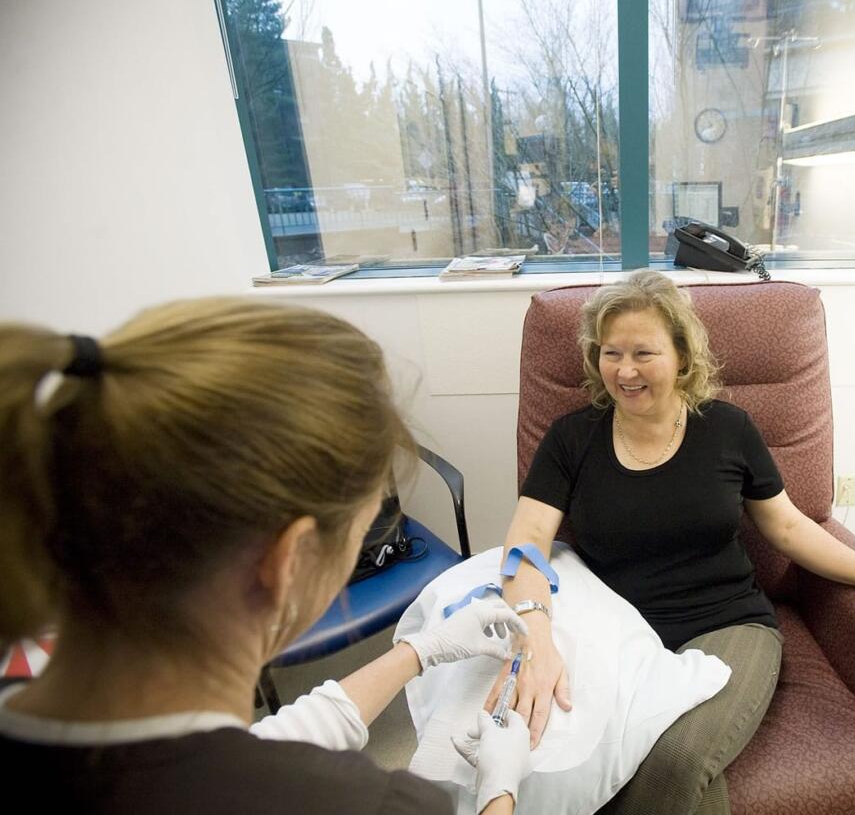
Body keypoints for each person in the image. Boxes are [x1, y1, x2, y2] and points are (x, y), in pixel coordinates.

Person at [0, 298, 530, 815]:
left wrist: (419, 651)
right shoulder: (376, 803)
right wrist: (499, 792)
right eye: (362, 530)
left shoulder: (25, 691)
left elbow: (234, 757)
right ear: (292, 559)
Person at [487, 271, 855, 814]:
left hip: (727, 623)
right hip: (613, 630)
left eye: (645, 352)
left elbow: (790, 527)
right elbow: (527, 537)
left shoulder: (729, 429)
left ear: (683, 357)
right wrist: (536, 632)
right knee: (576, 759)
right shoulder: (572, 438)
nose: (625, 370)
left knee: (678, 759)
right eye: (610, 352)